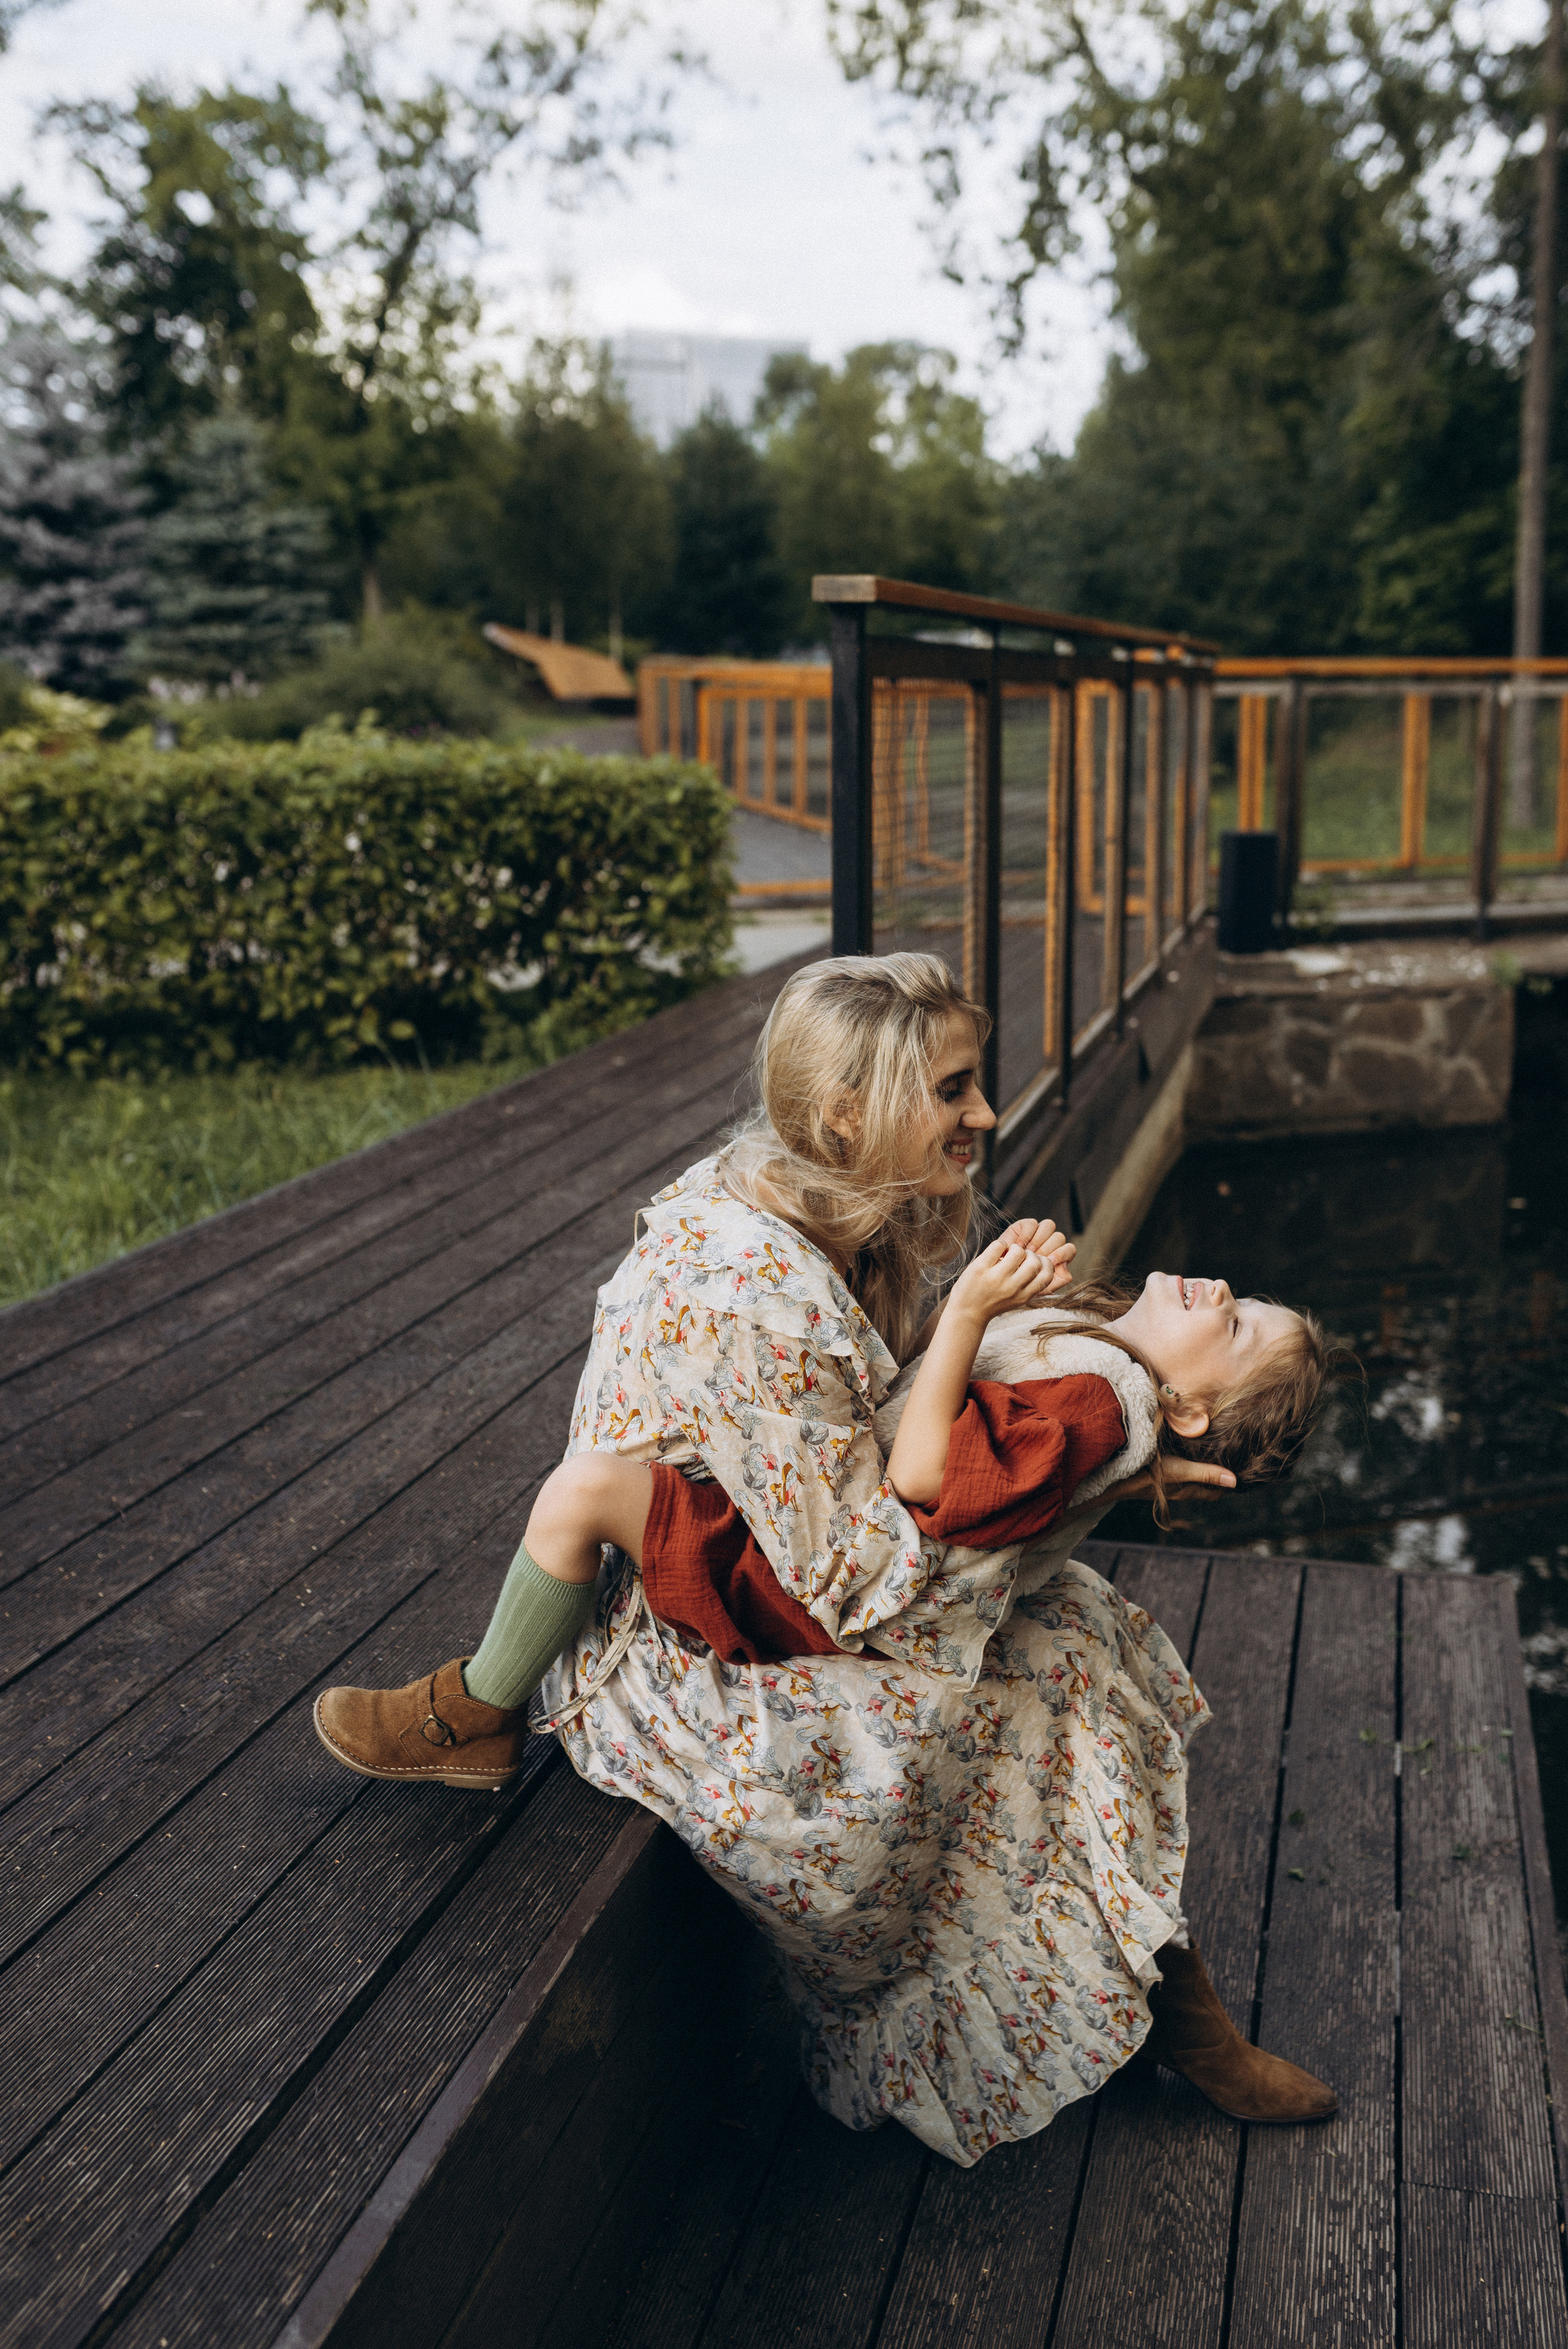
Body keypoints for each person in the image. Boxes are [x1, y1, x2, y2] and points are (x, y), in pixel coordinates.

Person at [315, 953, 1338, 2163]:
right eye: (954, 1087)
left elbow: (897, 1497)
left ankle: (469, 1713)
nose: (984, 1114)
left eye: (1231, 1322)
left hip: (834, 1596)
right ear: (848, 1114)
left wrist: (993, 1338)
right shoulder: (1085, 1359)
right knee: (1080, 1781)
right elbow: (993, 1445)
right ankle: (1197, 2034)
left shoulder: (1102, 1383)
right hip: (861, 1559)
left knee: (587, 1488)